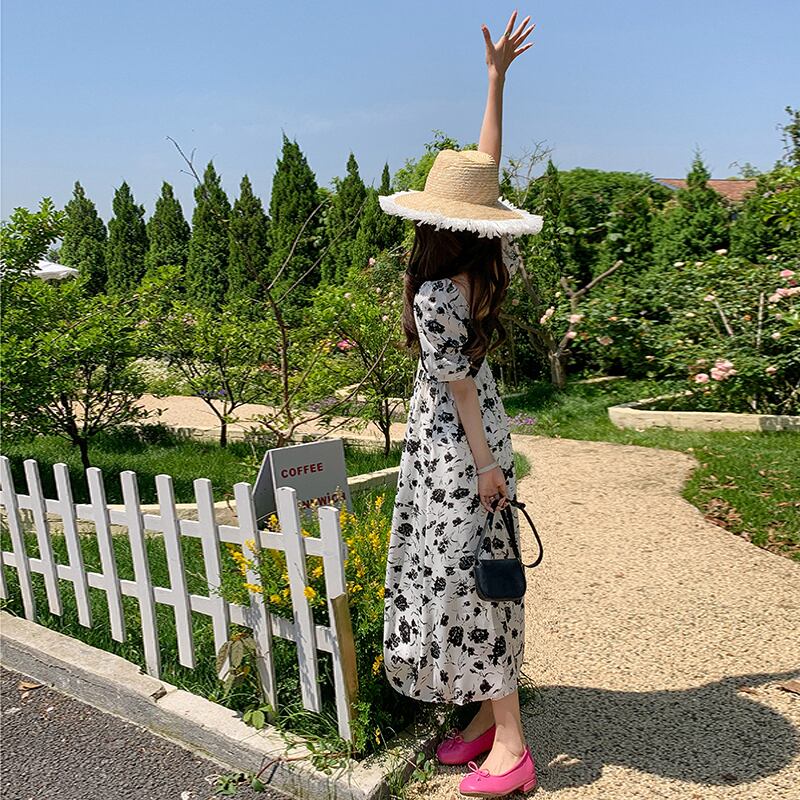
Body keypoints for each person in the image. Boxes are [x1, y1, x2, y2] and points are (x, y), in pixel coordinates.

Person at [377, 10, 543, 798]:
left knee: (469, 582)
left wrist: (481, 467)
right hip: (480, 439)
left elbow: (459, 388)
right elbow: (487, 169)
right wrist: (495, 80)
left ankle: (511, 744)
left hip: (455, 450)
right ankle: (481, 717)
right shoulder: (485, 265)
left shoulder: (437, 290)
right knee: (478, 568)